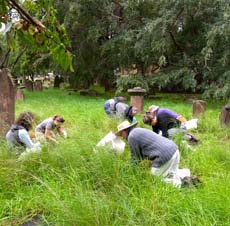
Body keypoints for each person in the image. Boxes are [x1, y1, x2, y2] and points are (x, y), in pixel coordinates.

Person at [115, 120, 192, 187]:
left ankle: (182, 186)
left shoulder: (131, 136)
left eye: (121, 134)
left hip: (164, 155)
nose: (122, 137)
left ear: (124, 131)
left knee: (155, 178)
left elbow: (135, 158)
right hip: (174, 149)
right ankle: (186, 176)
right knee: (171, 173)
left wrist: (128, 169)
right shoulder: (138, 130)